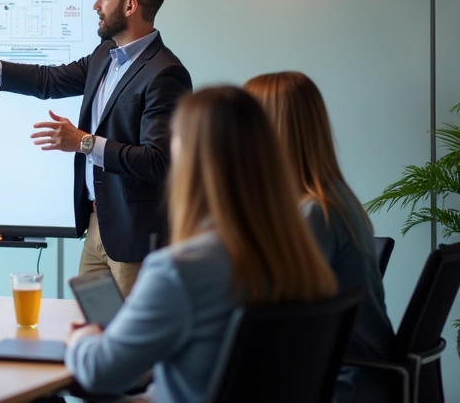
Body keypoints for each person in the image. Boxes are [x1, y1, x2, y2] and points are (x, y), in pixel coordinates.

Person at [0, 0, 192, 295]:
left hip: (134, 238)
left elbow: (158, 161)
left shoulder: (165, 73)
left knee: (130, 341)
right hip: (98, 228)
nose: (96, 5)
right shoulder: (105, 55)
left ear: (130, 6)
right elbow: (47, 80)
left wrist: (85, 143)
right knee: (92, 326)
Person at [64, 86, 337, 401]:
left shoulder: (179, 269)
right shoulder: (296, 253)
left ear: (189, 160)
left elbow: (101, 372)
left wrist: (83, 338)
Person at [245, 71, 395, 403]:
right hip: (350, 373)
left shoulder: (315, 214)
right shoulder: (334, 198)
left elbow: (269, 315)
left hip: (342, 383)